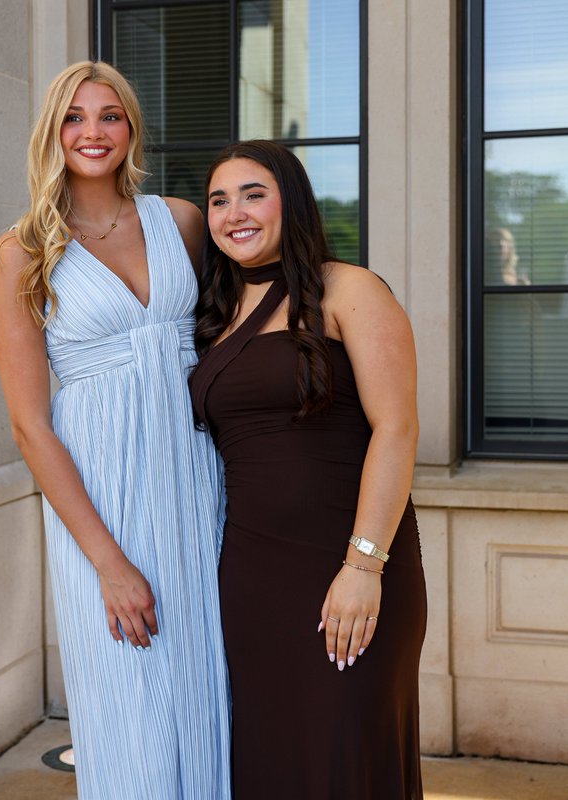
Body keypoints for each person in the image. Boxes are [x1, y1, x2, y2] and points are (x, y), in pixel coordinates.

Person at [0, 61, 230, 799]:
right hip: (104, 502)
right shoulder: (22, 253)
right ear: (52, 132)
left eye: (110, 115)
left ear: (131, 129)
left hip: (200, 485)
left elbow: (235, 343)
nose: (93, 132)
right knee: (133, 715)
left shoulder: (183, 221)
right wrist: (109, 563)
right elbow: (31, 426)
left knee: (213, 691)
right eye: (75, 117)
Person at [189, 140, 426, 799]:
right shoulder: (213, 314)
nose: (234, 211)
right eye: (218, 200)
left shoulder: (349, 288)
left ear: (291, 202)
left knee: (345, 758)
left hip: (350, 569)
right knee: (270, 761)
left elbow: (397, 428)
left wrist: (363, 565)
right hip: (250, 578)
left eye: (253, 193)